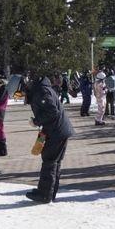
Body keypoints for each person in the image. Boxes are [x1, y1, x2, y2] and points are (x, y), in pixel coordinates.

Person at [26, 69, 74, 203]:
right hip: (57, 130)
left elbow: (52, 112)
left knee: (49, 161)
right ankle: (48, 192)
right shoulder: (43, 89)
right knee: (54, 162)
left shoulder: (42, 91)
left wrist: (36, 121)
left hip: (57, 132)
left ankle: (45, 194)